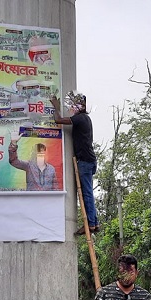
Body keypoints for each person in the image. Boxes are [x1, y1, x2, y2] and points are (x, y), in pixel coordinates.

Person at [52, 91, 99, 234]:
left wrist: (55, 107)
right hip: (88, 160)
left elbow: (58, 120)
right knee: (88, 193)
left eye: (74, 104)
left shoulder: (80, 118)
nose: (72, 107)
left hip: (85, 161)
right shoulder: (85, 118)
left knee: (87, 194)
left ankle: (91, 224)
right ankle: (94, 223)